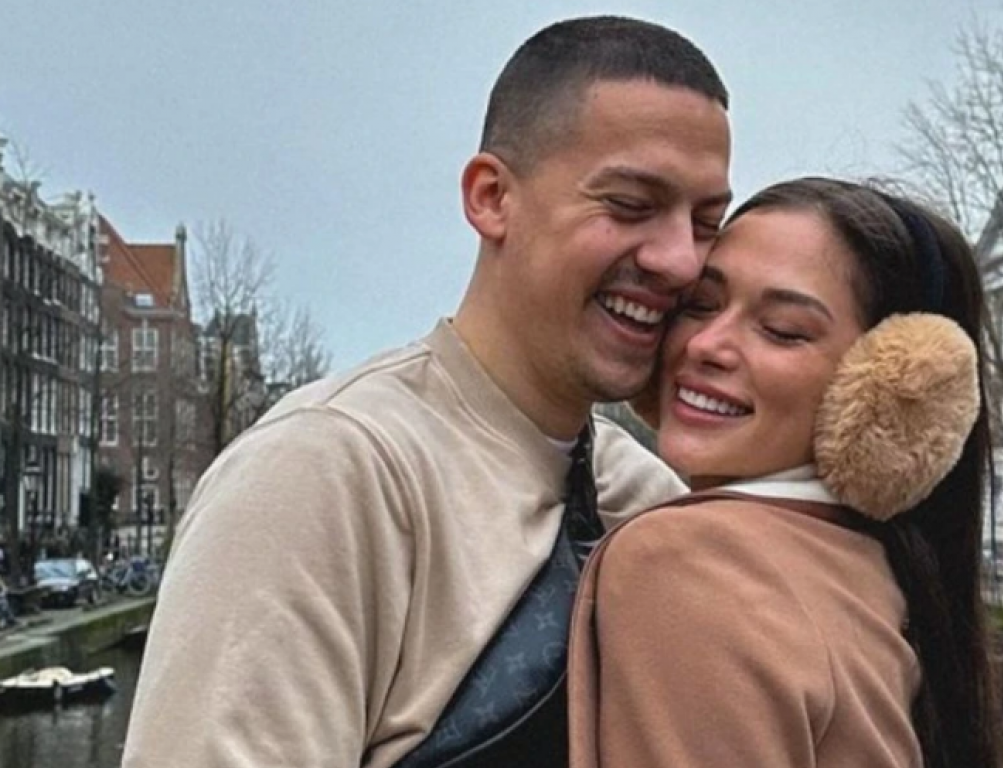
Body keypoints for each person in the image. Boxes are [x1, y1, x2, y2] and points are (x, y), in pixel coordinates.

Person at [123, 16, 732, 768]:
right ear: (491, 198)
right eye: (631, 205)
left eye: (707, 223)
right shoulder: (326, 476)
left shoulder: (651, 499)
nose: (680, 261)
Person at [569, 178, 998, 768]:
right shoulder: (873, 568)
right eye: (700, 305)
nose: (707, 344)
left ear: (891, 394)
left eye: (782, 330)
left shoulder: (684, 559)